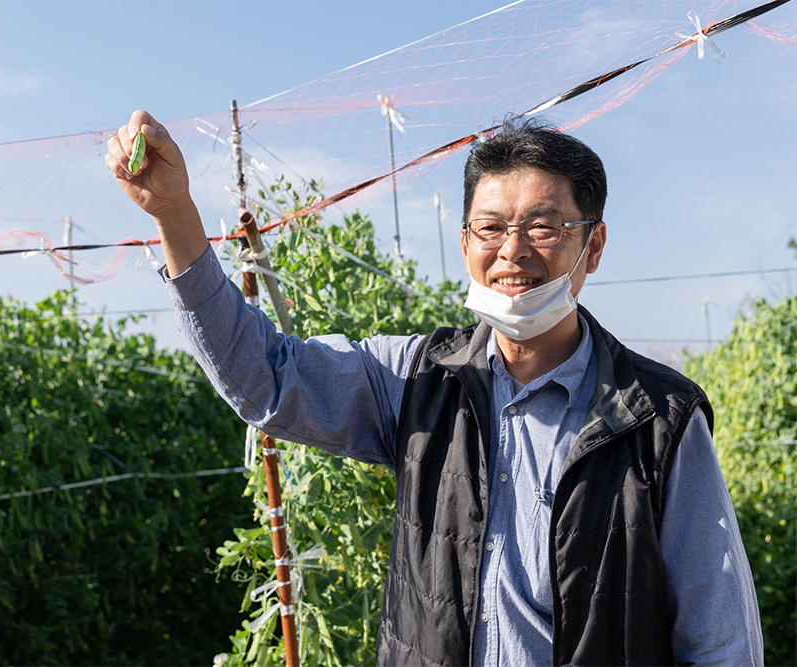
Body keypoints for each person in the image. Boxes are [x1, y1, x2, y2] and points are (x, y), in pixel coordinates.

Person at [105, 110, 763, 666]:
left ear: (592, 246)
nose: (512, 250)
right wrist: (175, 213)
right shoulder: (418, 380)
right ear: (464, 239)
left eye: (543, 224)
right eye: (490, 226)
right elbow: (265, 378)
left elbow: (720, 634)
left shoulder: (656, 418)